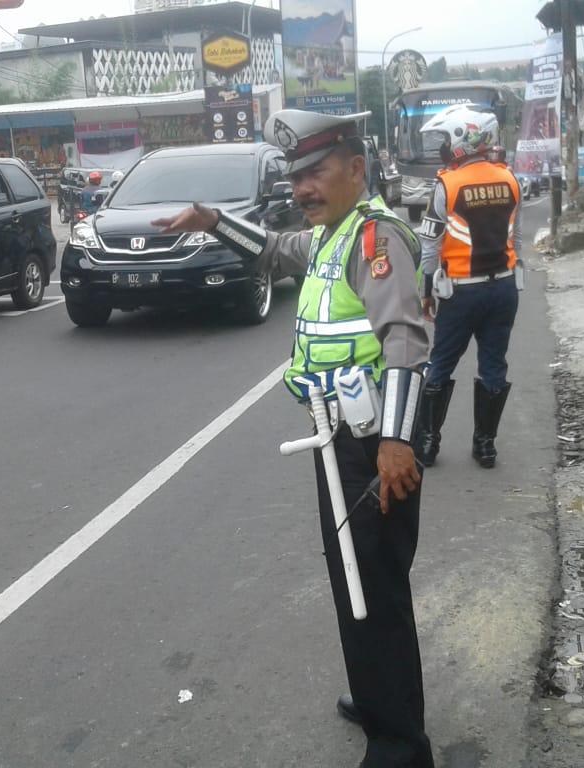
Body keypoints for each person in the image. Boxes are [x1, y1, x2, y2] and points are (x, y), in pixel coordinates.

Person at [153, 109, 435, 768]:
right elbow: (277, 252)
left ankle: (401, 747)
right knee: (352, 584)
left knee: (377, 589)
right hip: (339, 440)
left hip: (373, 444)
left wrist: (395, 440)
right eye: (296, 176)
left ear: (356, 170)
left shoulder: (374, 239)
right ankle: (376, 701)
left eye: (316, 171)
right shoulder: (333, 236)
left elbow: (405, 338)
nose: (303, 187)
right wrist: (215, 222)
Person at [414, 105, 521, 469]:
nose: (442, 149)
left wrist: (426, 291)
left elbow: (430, 246)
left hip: (461, 292)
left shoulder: (447, 184)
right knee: (494, 366)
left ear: (463, 138)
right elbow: (513, 233)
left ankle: (428, 444)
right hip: (504, 289)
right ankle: (486, 446)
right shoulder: (509, 178)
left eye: (445, 140)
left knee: (441, 363)